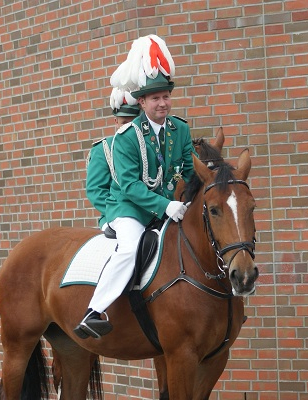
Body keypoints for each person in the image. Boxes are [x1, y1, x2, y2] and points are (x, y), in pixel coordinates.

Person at [74, 35, 195, 339]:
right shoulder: (127, 137)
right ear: (142, 102)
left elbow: (190, 172)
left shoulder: (180, 129)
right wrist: (166, 205)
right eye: (155, 98)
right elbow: (128, 186)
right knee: (129, 248)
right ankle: (95, 311)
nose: (162, 103)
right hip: (128, 208)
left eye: (166, 96)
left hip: (166, 206)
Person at [86, 87, 141, 235]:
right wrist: (120, 211)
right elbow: (96, 190)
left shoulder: (145, 144)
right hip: (115, 215)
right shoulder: (103, 149)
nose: (128, 128)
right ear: (116, 121)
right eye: (124, 122)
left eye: (133, 123)